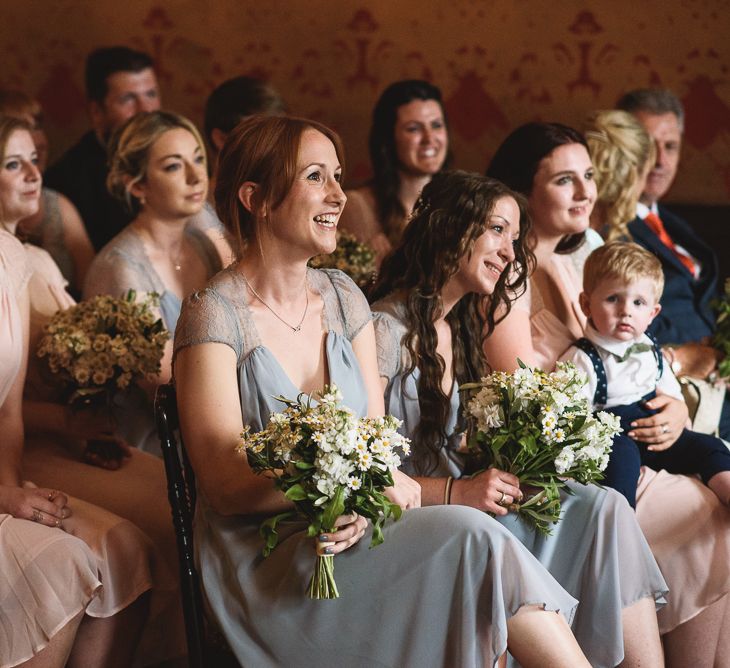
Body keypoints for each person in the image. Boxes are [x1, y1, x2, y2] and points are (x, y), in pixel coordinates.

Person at [173, 114, 591, 667]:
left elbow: (377, 442)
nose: (339, 196)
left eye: (339, 177)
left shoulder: (344, 297)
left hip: (361, 527)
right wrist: (331, 489)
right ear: (257, 198)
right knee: (472, 538)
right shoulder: (212, 314)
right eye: (316, 177)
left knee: (515, 528)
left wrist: (364, 502)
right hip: (273, 558)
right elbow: (224, 484)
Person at [371, 170, 667, 668]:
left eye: (514, 237)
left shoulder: (459, 326)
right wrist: (458, 491)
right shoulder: (382, 331)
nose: (510, 253)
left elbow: (461, 446)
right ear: (450, 228)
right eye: (497, 231)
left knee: (601, 505)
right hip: (411, 519)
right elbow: (372, 471)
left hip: (464, 498)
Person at [485, 121, 730, 665]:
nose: (585, 192)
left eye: (589, 177)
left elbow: (643, 349)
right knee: (704, 513)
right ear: (524, 192)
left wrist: (673, 404)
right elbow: (531, 405)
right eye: (565, 181)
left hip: (630, 432)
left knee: (714, 513)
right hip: (570, 456)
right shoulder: (503, 275)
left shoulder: (594, 248)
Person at [0, 114, 157, 668]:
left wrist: (11, 484)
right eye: (12, 162)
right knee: (63, 562)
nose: (33, 174)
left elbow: (8, 413)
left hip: (11, 464)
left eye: (34, 160)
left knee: (130, 551)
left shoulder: (15, 257)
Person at [83, 110, 226, 455]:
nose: (196, 177)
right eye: (174, 166)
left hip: (217, 415)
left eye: (198, 159)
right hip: (156, 439)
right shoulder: (121, 267)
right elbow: (166, 385)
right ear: (138, 185)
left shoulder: (204, 236)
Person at [560, 241, 730, 508]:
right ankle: (622, 520)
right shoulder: (582, 358)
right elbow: (572, 415)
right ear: (586, 304)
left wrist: (676, 413)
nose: (626, 310)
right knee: (623, 458)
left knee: (711, 446)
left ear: (653, 313)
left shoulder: (649, 346)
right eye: (613, 298)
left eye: (638, 302)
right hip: (613, 436)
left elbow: (667, 385)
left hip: (656, 433)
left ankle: (726, 488)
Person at [617, 89, 729, 438]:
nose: (661, 161)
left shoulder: (676, 225)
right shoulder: (612, 231)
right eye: (649, 146)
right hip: (680, 388)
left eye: (671, 146)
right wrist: (682, 357)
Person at [44, 46, 161, 251]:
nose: (146, 110)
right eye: (128, 99)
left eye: (151, 94)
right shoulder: (66, 182)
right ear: (97, 111)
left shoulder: (183, 154)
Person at [338, 79, 450, 263]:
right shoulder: (357, 207)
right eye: (414, 128)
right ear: (389, 138)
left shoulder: (459, 204)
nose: (429, 138)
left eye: (437, 125)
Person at [0, 89, 95, 293]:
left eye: (37, 126)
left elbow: (93, 291)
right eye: (13, 164)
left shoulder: (58, 205)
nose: (34, 174)